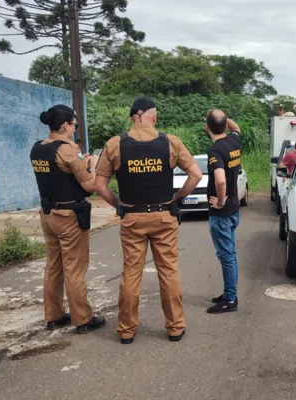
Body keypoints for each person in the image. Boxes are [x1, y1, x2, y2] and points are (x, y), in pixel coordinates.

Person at [93, 97, 202, 344]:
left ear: (134, 116)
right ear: (150, 117)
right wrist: (178, 197)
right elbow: (195, 175)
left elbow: (99, 185)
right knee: (168, 272)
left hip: (132, 219)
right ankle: (175, 327)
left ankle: (126, 331)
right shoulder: (170, 142)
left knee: (131, 274)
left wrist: (118, 204)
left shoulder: (114, 145)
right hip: (164, 217)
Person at [29, 104, 106, 334]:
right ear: (65, 125)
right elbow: (90, 186)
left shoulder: (37, 149)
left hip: (48, 214)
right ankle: (82, 319)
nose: (74, 130)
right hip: (69, 217)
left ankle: (53, 316)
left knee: (53, 266)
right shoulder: (67, 151)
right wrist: (92, 164)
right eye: (74, 126)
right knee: (74, 267)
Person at [204, 109, 243, 314]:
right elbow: (236, 128)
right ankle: (230, 292)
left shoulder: (216, 150)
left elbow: (220, 179)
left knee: (227, 256)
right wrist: (225, 119)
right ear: (225, 125)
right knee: (231, 254)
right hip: (234, 209)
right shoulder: (234, 142)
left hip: (222, 213)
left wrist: (219, 201)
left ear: (207, 127)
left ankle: (229, 299)